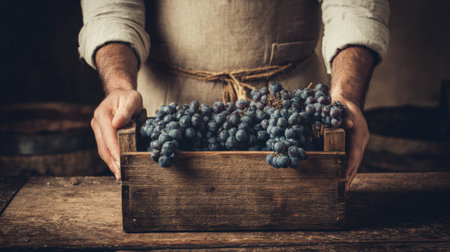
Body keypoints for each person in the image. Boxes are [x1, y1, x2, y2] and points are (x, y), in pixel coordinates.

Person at [79, 0, 389, 190]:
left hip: (289, 114)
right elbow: (111, 8)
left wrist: (345, 93)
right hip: (165, 111)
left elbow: (355, 6)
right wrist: (120, 86)